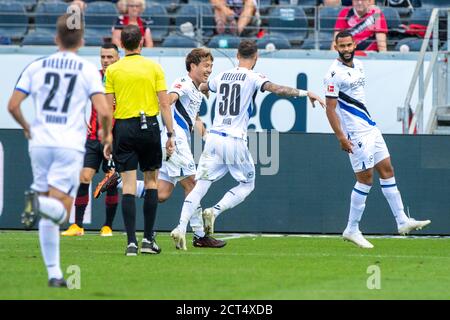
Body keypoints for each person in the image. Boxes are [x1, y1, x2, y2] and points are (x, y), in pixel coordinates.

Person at [170, 40, 325, 250]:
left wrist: (205, 90)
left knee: (200, 186)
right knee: (247, 184)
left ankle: (180, 228)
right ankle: (214, 211)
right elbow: (276, 89)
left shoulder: (222, 75)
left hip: (214, 138)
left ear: (237, 55)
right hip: (234, 139)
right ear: (256, 57)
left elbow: (205, 86)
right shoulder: (254, 77)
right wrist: (307, 93)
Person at [7, 14, 112, 287]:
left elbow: (13, 105)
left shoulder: (36, 66)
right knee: (62, 212)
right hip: (69, 144)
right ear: (81, 40)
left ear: (56, 39)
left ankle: (54, 273)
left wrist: (27, 127)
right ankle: (37, 203)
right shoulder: (87, 70)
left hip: (40, 143)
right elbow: (103, 110)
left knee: (48, 213)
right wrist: (105, 133)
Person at [96, 48, 227, 250]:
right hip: (175, 142)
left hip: (172, 142)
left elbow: (195, 119)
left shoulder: (196, 88)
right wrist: (166, 110)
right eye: (205, 65)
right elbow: (169, 98)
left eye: (211, 66)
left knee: (163, 193)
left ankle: (119, 181)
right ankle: (200, 235)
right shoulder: (182, 83)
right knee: (193, 184)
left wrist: (208, 137)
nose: (209, 70)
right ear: (193, 66)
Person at [323, 31, 431, 248]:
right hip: (356, 133)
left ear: (355, 45)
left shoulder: (360, 65)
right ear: (336, 47)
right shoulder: (333, 74)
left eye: (348, 45)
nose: (345, 50)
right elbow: (331, 109)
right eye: (341, 46)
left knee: (387, 169)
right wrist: (341, 137)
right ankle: (352, 229)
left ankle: (402, 221)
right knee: (365, 179)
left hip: (371, 128)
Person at [104, 24, 175, 256]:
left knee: (129, 186)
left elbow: (107, 108)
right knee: (152, 182)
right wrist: (171, 134)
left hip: (124, 128)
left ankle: (131, 243)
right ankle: (148, 240)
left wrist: (107, 137)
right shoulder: (154, 68)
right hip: (149, 127)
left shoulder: (112, 70)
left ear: (122, 45)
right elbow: (164, 104)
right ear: (142, 43)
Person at [61, 43, 120, 237]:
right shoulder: (93, 77)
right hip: (93, 137)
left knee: (110, 180)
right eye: (103, 57)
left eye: (109, 57)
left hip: (115, 138)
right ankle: (77, 225)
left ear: (117, 58)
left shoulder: (122, 78)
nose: (105, 60)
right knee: (84, 177)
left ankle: (107, 226)